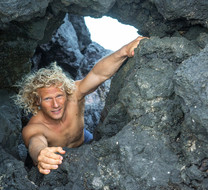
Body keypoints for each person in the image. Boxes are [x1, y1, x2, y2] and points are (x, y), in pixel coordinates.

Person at [16, 36, 146, 174]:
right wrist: (41, 154)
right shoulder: (34, 127)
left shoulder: (74, 95)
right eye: (48, 99)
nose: (55, 104)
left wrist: (124, 51)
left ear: (66, 93)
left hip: (85, 142)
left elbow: (98, 74)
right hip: (57, 159)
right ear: (37, 101)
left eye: (59, 96)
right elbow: (35, 142)